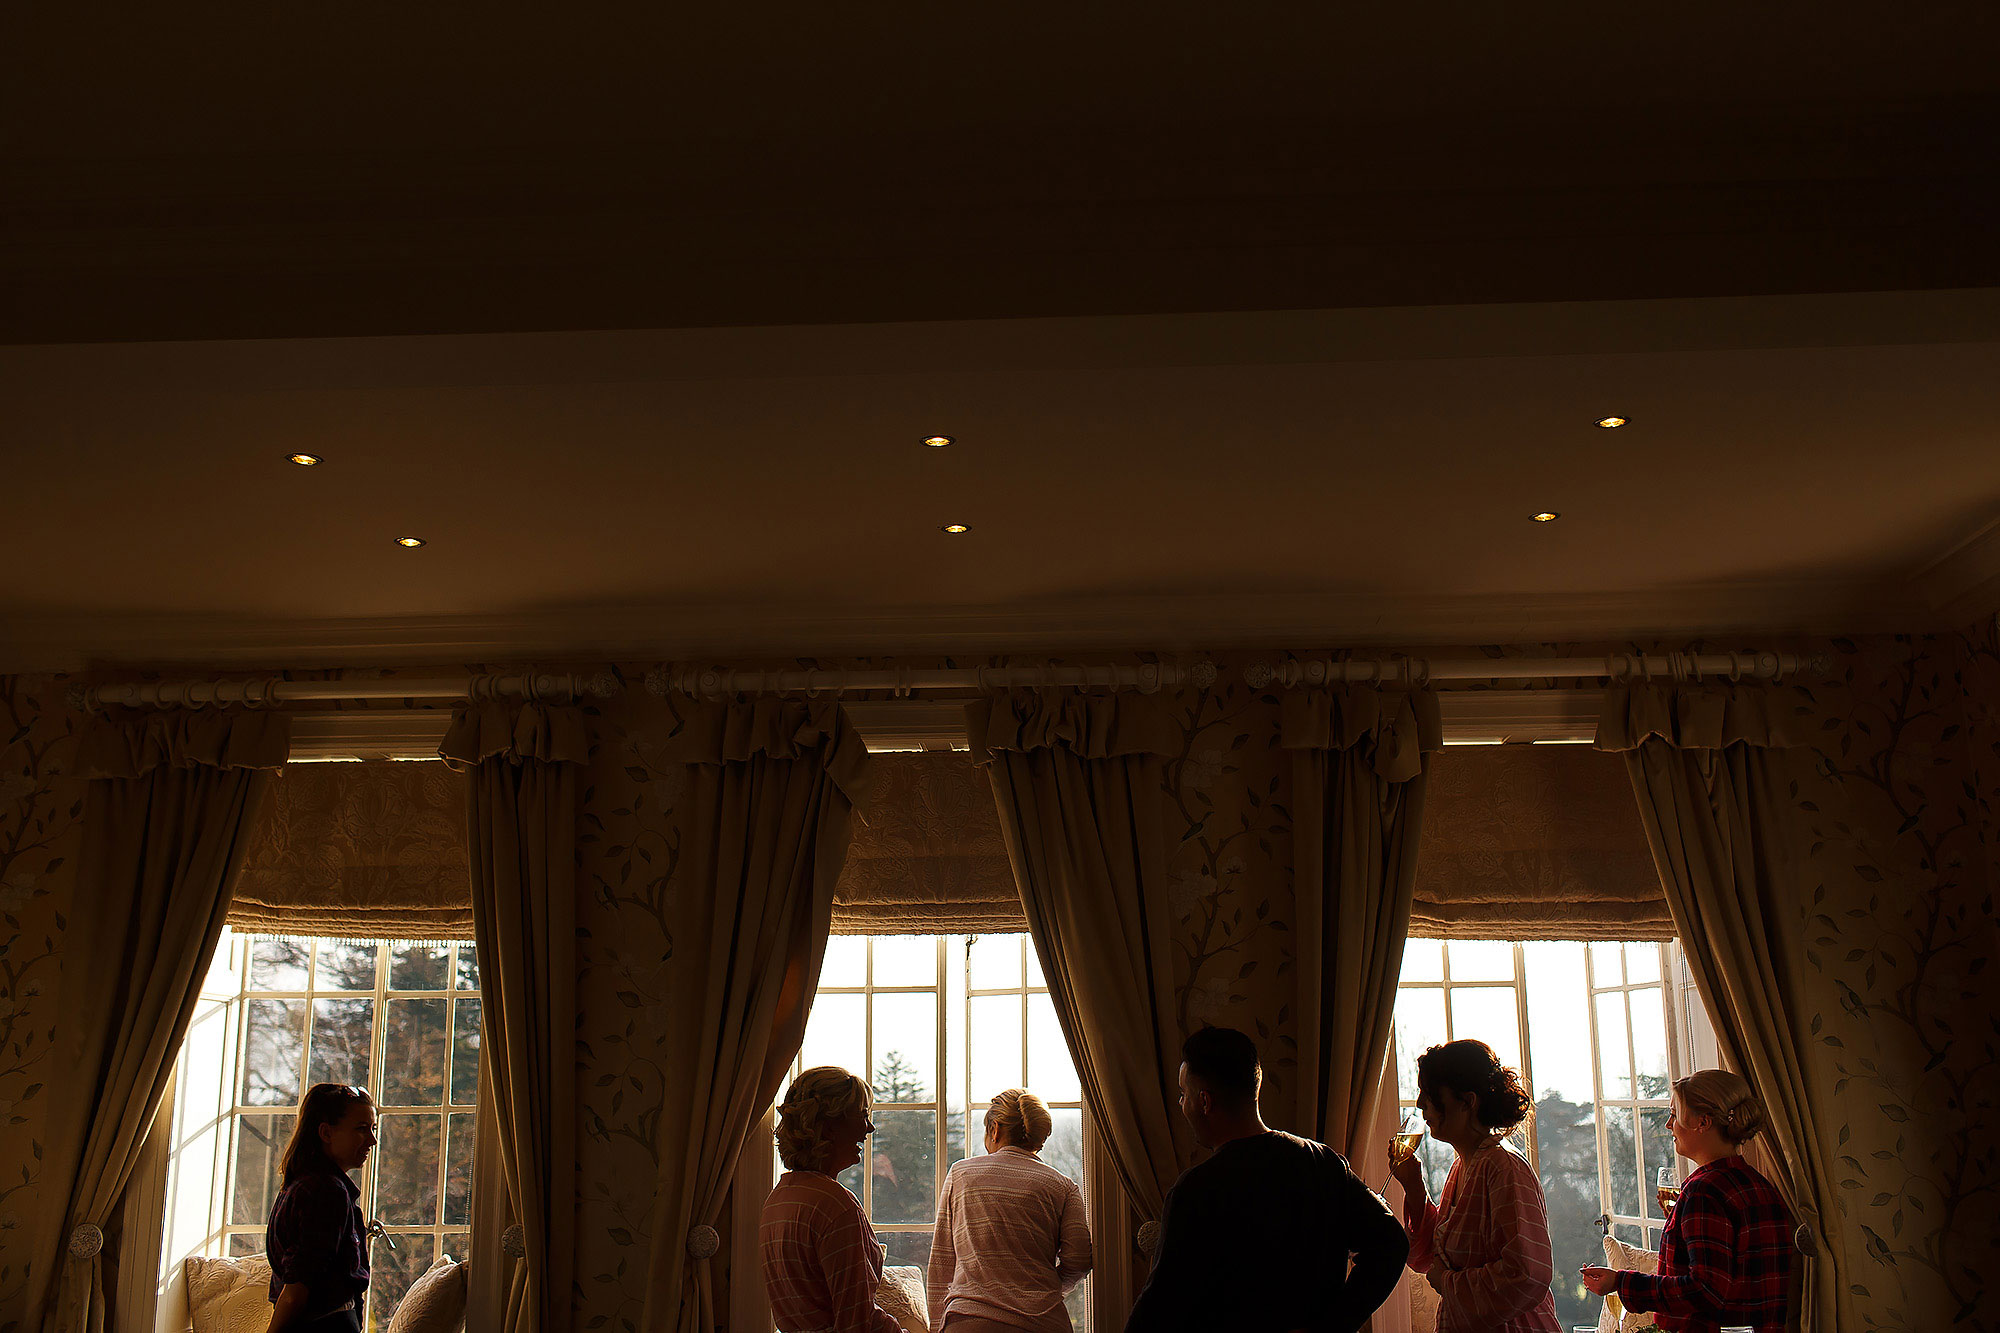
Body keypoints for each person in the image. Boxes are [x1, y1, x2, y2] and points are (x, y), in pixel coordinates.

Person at [1125, 1026, 1408, 1333]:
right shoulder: (1323, 1163)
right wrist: (1335, 1324)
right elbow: (1391, 1243)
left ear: (1204, 1102)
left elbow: (1160, 1305)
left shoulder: (1196, 1190)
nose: (1182, 1105)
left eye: (1183, 1095)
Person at [1579, 1069, 1793, 1333]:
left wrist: (1620, 1282)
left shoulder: (1703, 1192)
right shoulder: (1759, 1186)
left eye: (1674, 1115)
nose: (1669, 1125)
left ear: (1703, 1122)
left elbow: (1704, 1290)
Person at [1389, 1039, 1560, 1333]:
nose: (1420, 1104)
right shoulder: (1463, 1166)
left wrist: (1448, 1283)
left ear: (1467, 1101)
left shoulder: (1504, 1168)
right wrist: (1414, 1188)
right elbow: (1429, 1260)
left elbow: (1529, 1274)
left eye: (1429, 1094)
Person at [927, 1087, 1093, 1332]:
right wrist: (1046, 1288)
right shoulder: (1062, 1187)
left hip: (970, 1321)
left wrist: (936, 1325)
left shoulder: (961, 1174)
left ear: (994, 1129)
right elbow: (1079, 1260)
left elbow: (942, 1261)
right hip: (1044, 1322)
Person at [761, 1066, 902, 1333]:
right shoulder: (835, 1205)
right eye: (861, 1116)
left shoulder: (779, 1199)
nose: (869, 1128)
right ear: (829, 1126)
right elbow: (856, 1323)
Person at [264, 1083, 378, 1333]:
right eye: (362, 1129)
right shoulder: (326, 1192)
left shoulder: (302, 1184)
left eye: (373, 1128)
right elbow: (297, 1289)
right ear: (326, 1133)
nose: (373, 1139)